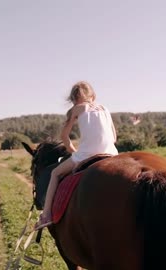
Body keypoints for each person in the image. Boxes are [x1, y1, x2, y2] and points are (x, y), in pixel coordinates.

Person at [35, 81, 118, 230]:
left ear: (73, 100)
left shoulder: (77, 109)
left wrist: (73, 151)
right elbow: (114, 138)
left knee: (55, 173)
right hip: (111, 153)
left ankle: (46, 215)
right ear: (93, 95)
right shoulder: (105, 108)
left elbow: (64, 136)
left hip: (87, 154)